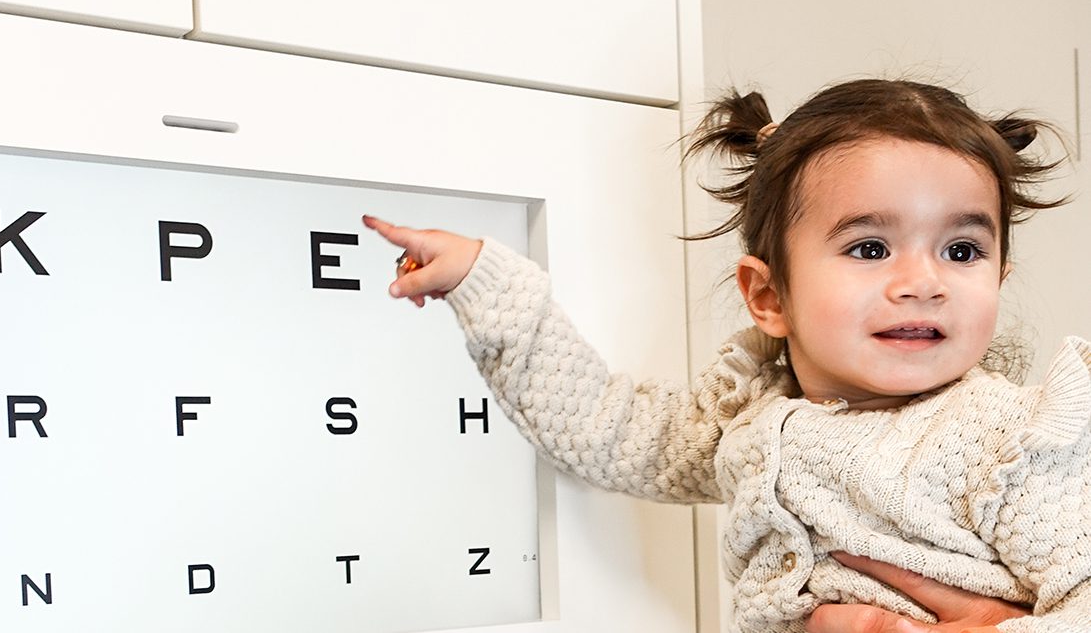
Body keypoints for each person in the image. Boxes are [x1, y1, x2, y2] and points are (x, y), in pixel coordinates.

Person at [362, 78, 1091, 632]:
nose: (922, 282)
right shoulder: (744, 417)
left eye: (961, 250)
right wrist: (485, 281)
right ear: (768, 296)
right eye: (870, 248)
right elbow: (602, 427)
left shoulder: (1009, 444)